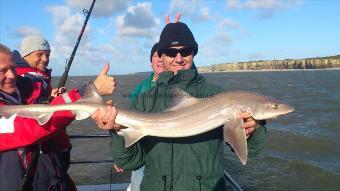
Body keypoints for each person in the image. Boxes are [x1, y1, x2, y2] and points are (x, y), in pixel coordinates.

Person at [98, 21, 267, 191]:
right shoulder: (144, 101)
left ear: (193, 53)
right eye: (171, 52)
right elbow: (129, 162)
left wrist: (255, 128)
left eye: (185, 51)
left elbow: (251, 152)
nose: (178, 59)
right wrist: (117, 130)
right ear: (161, 55)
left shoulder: (218, 97)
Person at [0, 43, 115, 191]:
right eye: (3, 71)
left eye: (13, 68)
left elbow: (46, 108)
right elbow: (31, 126)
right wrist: (88, 92)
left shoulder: (22, 91)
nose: (12, 75)